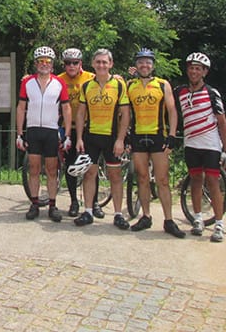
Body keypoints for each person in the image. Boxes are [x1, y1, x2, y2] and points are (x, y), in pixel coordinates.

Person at [126, 48, 186, 238]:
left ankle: (169, 220)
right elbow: (124, 112)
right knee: (142, 178)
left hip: (158, 136)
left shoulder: (162, 84)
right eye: (140, 62)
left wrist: (172, 136)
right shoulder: (129, 85)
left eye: (148, 62)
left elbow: (172, 111)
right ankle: (146, 216)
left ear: (153, 65)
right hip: (137, 136)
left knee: (163, 180)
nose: (144, 65)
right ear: (136, 65)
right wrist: (125, 135)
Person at [173, 52, 226, 242]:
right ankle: (198, 218)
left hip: (210, 145)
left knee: (213, 182)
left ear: (204, 72)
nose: (194, 72)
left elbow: (222, 122)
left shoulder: (212, 93)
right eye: (191, 68)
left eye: (198, 69)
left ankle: (219, 224)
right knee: (196, 180)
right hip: (191, 144)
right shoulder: (180, 91)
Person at [73, 49, 131, 229]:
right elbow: (80, 113)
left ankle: (118, 214)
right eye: (98, 62)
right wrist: (79, 138)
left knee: (115, 175)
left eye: (105, 62)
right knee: (89, 174)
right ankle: (88, 211)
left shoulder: (119, 85)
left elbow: (125, 114)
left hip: (112, 137)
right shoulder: (86, 86)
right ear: (93, 64)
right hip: (91, 137)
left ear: (111, 64)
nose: (101, 65)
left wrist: (120, 140)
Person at [16, 46, 72, 223]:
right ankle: (34, 204)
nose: (44, 64)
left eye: (47, 61)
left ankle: (52, 205)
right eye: (41, 61)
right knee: (33, 169)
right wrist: (19, 134)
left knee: (51, 170)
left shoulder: (59, 83)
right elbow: (21, 108)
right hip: (33, 130)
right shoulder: (27, 82)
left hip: (51, 130)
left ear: (52, 64)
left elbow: (66, 108)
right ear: (36, 64)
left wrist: (67, 135)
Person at [57, 48, 96, 218]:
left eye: (75, 63)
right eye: (68, 63)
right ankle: (74, 201)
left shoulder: (91, 77)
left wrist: (118, 77)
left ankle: (94, 203)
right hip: (68, 127)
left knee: (91, 166)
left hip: (88, 127)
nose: (71, 66)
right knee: (71, 166)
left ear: (81, 63)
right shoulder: (59, 80)